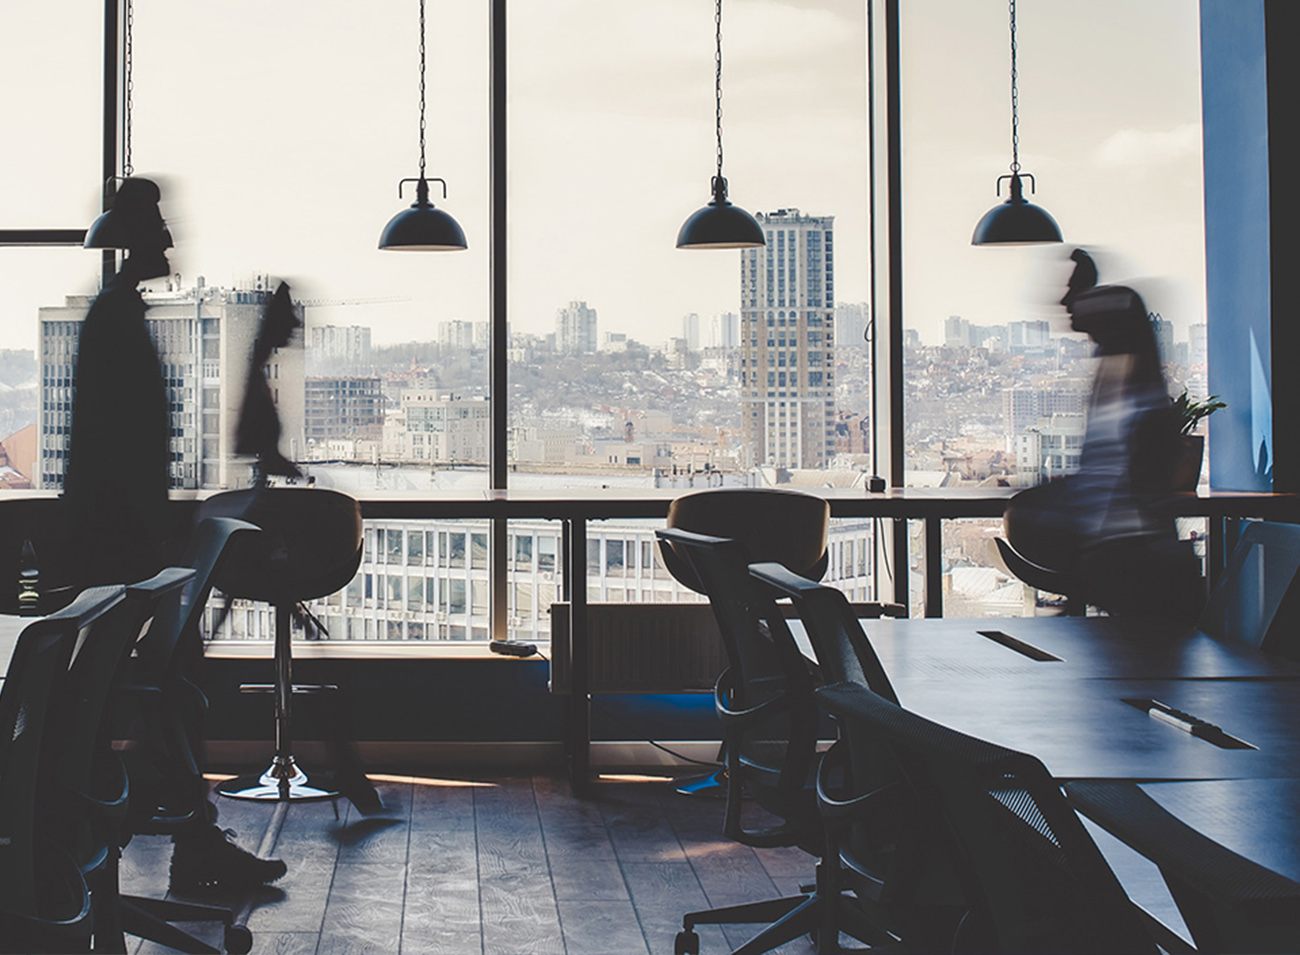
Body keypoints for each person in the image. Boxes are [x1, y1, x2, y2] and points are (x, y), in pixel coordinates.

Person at [62, 177, 288, 891]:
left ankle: (108, 839)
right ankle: (184, 842)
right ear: (131, 239)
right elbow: (121, 449)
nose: (169, 240)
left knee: (147, 691)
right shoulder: (117, 324)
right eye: (158, 229)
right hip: (123, 549)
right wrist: (155, 542)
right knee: (160, 686)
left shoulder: (115, 319)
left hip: (115, 545)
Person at [1058, 248, 1203, 620]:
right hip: (1126, 558)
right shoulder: (1122, 382)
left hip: (1131, 561)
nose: (1066, 304)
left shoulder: (1127, 394)